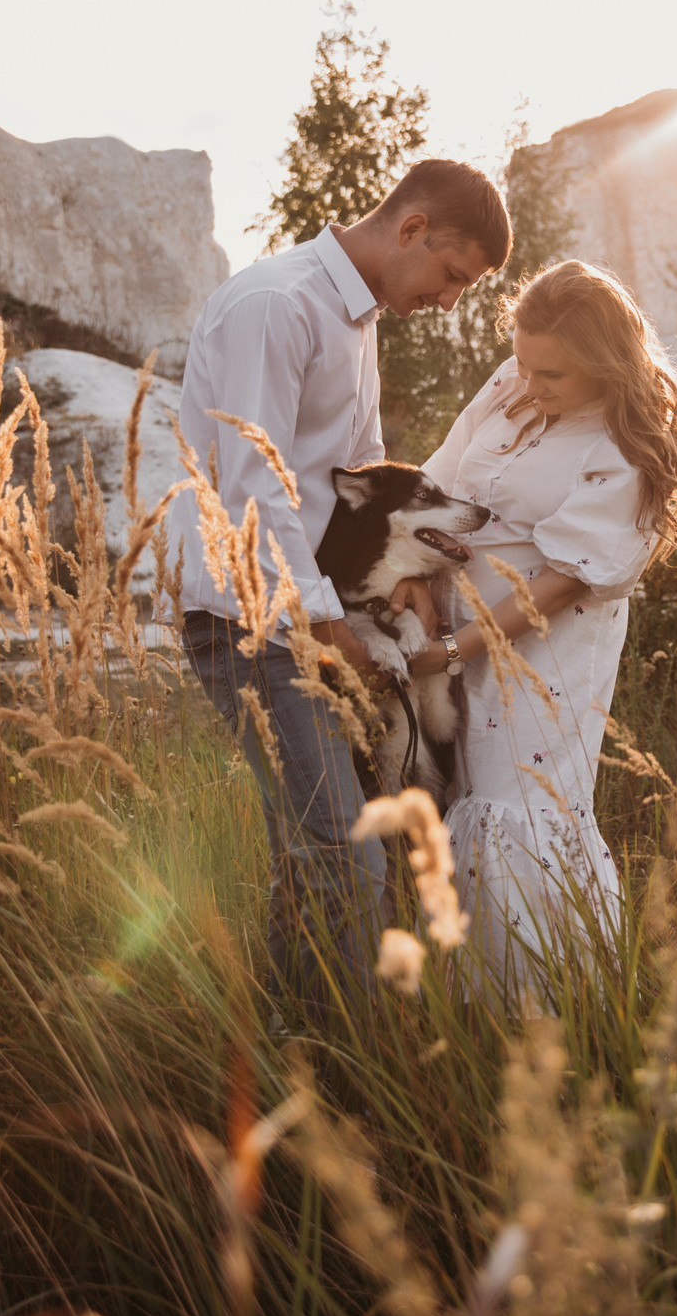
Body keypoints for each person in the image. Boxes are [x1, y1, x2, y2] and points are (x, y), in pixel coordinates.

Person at [172, 160, 511, 1026]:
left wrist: (408, 591)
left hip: (324, 617)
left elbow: (362, 485)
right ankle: (344, 1069)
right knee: (343, 854)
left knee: (321, 852)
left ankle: (290, 1046)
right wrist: (330, 625)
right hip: (254, 622)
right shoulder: (275, 307)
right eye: (452, 275)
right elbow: (257, 488)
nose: (448, 301)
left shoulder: (354, 320)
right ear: (411, 228)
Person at [406, 260, 677, 1006]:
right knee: (455, 805)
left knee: (520, 812)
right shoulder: (513, 382)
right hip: (441, 631)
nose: (531, 384)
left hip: (543, 649)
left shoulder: (626, 445)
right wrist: (416, 590)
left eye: (555, 375)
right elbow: (435, 483)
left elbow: (566, 579)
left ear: (608, 365)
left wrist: (448, 651)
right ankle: (471, 1016)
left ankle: (564, 1014)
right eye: (524, 361)